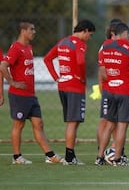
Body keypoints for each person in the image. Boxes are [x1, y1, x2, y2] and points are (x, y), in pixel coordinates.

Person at [0, 21, 63, 165]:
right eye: (31, 29)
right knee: (19, 125)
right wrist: (12, 82)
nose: (34, 32)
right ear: (23, 31)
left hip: (31, 95)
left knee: (39, 123)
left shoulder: (28, 47)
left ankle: (50, 155)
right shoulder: (16, 48)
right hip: (19, 95)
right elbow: (3, 66)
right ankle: (17, 157)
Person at [43, 19, 95, 165]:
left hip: (63, 85)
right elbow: (80, 62)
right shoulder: (80, 44)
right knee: (73, 122)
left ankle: (70, 155)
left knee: (73, 121)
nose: (89, 38)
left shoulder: (63, 42)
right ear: (84, 31)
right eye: (89, 35)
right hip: (75, 86)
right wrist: (82, 78)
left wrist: (56, 77)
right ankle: (70, 158)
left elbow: (48, 59)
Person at [95, 22, 129, 166]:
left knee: (109, 124)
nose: (128, 36)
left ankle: (99, 157)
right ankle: (117, 159)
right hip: (124, 90)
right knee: (122, 126)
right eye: (127, 34)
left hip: (109, 90)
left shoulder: (104, 46)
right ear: (124, 33)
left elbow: (102, 70)